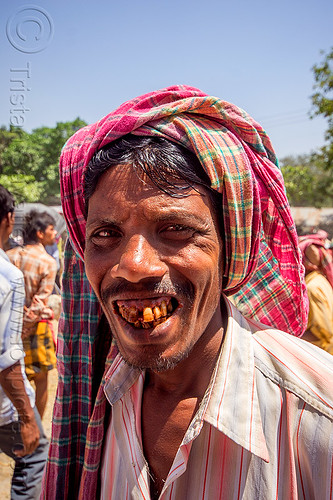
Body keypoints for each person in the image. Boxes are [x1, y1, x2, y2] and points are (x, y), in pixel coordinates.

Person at [42, 86, 333, 499]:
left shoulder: (318, 416)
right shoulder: (99, 395)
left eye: (175, 229)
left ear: (230, 245)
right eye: (105, 234)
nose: (134, 265)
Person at [0, 185, 49, 499]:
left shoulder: (15, 257)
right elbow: (6, 357)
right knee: (36, 453)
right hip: (6, 404)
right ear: (8, 218)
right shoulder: (9, 274)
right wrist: (28, 417)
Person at [7, 210, 57, 418]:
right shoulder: (47, 262)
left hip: (8, 327)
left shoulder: (9, 256)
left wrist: (16, 329)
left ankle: (17, 422)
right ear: (39, 233)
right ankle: (36, 425)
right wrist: (25, 328)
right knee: (41, 379)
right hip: (35, 328)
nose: (54, 234)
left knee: (12, 377)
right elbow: (38, 304)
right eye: (51, 229)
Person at [299, 232, 333, 354]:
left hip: (324, 356)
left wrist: (292, 338)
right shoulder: (319, 279)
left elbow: (325, 333)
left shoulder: (312, 288)